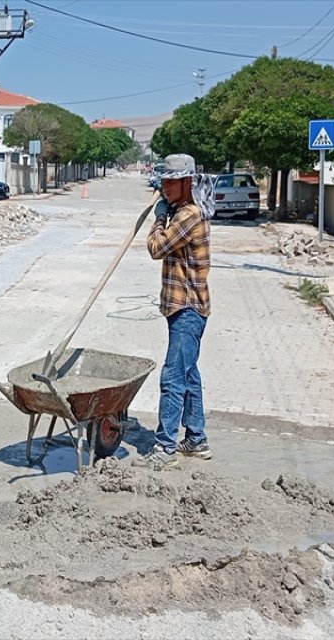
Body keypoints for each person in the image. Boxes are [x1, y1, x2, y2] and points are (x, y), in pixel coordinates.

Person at [134, 153, 212, 469]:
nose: (165, 187)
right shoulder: (181, 211)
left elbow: (156, 248)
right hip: (182, 307)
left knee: (173, 377)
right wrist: (165, 213)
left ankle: (165, 449)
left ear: (187, 183)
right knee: (188, 374)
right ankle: (196, 439)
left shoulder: (188, 216)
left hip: (188, 308)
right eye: (163, 181)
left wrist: (157, 219)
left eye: (171, 182)